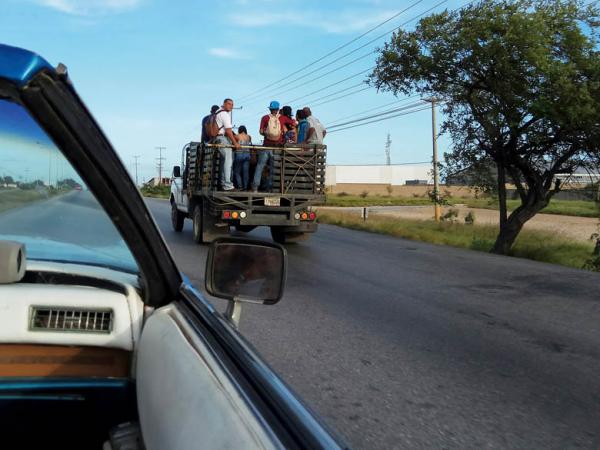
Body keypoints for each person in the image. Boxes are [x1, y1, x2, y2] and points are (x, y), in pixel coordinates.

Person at [214, 98, 240, 191]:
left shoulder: (217, 112)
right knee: (228, 161)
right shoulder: (224, 114)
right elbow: (228, 131)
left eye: (232, 105)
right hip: (222, 138)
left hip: (217, 138)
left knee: (223, 162)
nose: (231, 106)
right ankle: (228, 185)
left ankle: (222, 183)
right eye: (229, 104)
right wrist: (235, 143)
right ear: (224, 104)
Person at [233, 125, 252, 190]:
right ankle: (245, 187)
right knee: (245, 172)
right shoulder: (249, 137)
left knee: (237, 172)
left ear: (239, 130)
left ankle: (240, 186)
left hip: (239, 154)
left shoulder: (237, 136)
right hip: (247, 154)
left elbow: (233, 143)